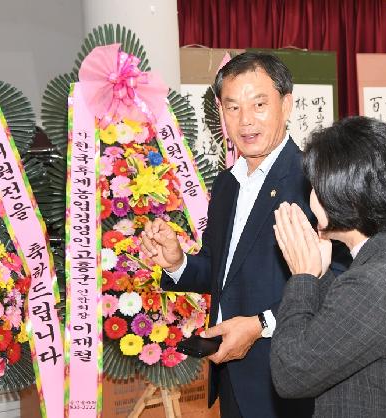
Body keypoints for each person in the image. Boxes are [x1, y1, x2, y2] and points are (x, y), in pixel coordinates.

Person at [140, 52, 348, 418]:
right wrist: (177, 263)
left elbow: (338, 282)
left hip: (287, 378)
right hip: (230, 373)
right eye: (233, 107)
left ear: (287, 104)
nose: (246, 121)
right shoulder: (226, 185)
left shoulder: (313, 181)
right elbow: (221, 273)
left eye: (259, 104)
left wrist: (260, 325)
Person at [270, 116, 386, 417]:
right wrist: (321, 276)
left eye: (317, 187)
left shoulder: (373, 285)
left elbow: (290, 374)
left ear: (346, 199)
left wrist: (303, 276)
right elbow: (352, 330)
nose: (311, 196)